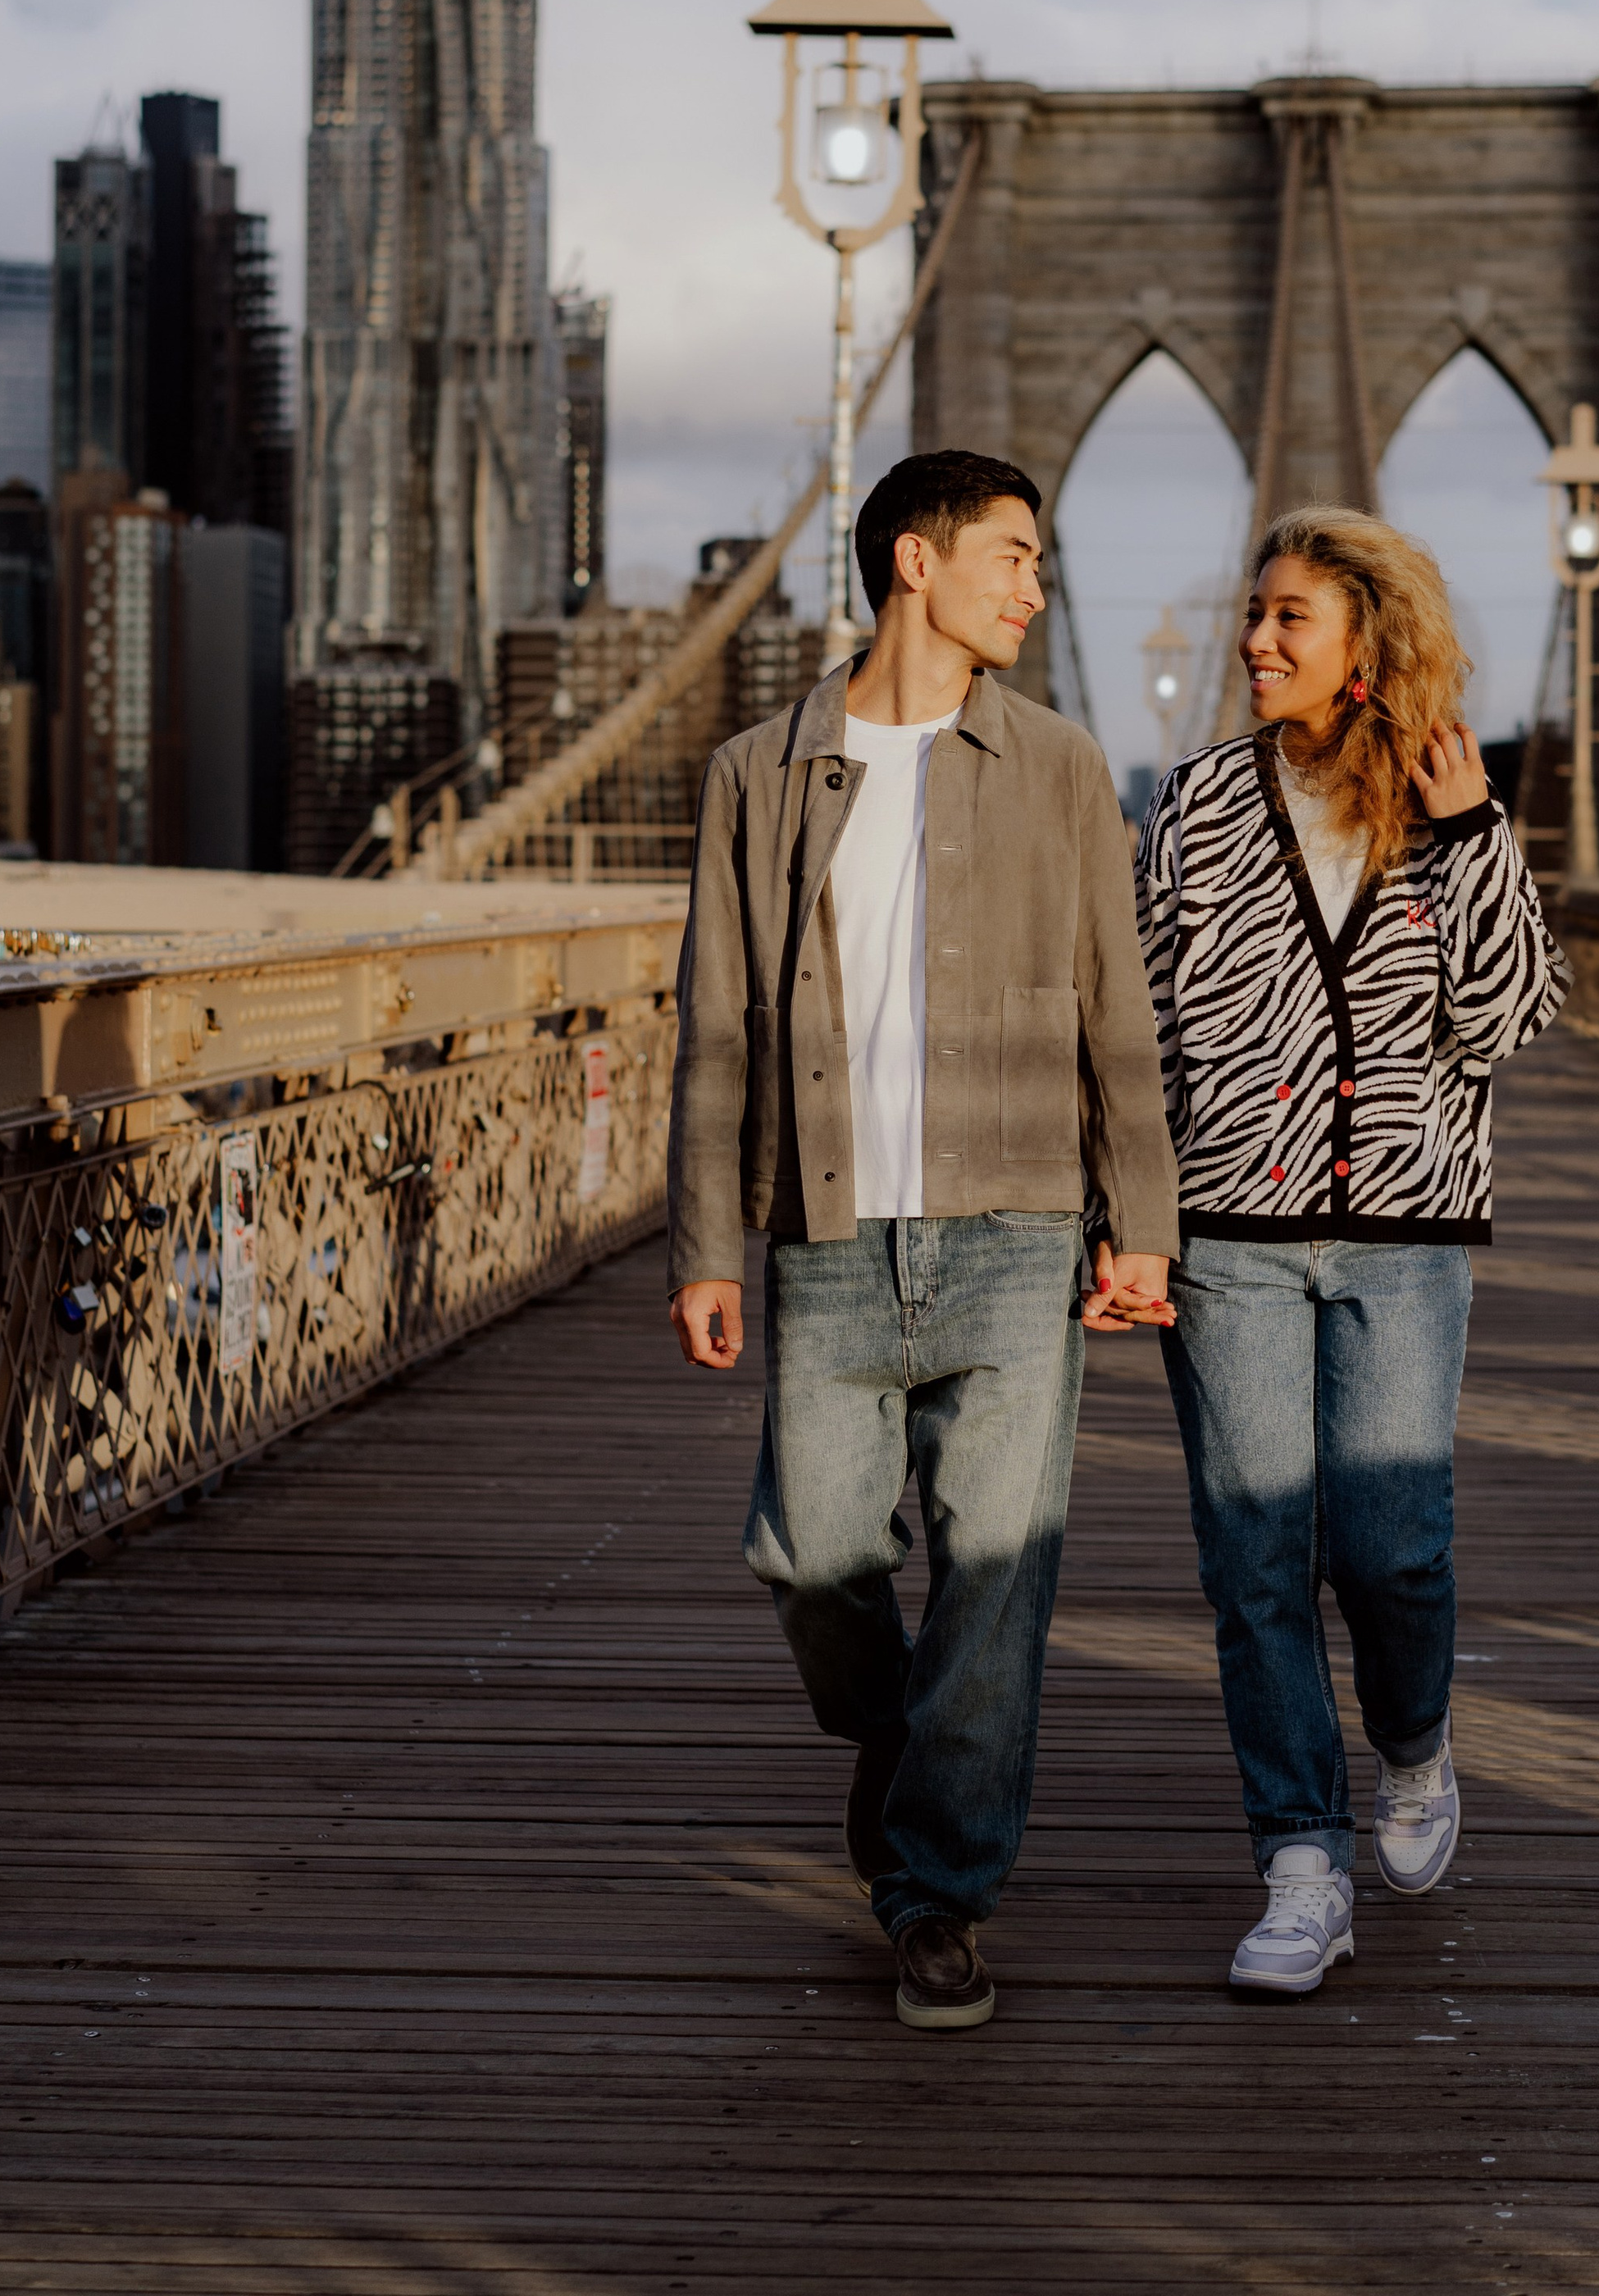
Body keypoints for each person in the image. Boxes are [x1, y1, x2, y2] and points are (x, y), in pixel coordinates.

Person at [667, 449, 1178, 2033]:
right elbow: (714, 1025)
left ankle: (939, 1896)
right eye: (1012, 555)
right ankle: (909, 1748)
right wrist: (704, 1239)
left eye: (1039, 560)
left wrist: (1140, 1224)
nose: (1036, 585)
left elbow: (1120, 1021)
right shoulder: (760, 770)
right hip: (827, 1228)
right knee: (817, 1553)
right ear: (913, 559)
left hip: (1018, 1228)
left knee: (995, 1583)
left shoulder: (1065, 767)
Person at [1134, 505, 1567, 1995]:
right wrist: (1122, 1221)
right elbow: (1136, 1028)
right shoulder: (1193, 804)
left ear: (1366, 646)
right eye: (1254, 614)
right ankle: (1300, 1858)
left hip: (1404, 1235)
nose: (1253, 641)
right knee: (1254, 1557)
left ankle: (1417, 1744)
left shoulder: (1450, 808)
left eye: (1287, 620)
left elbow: (1503, 1021)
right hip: (1227, 1234)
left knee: (1391, 1549)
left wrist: (1470, 839)